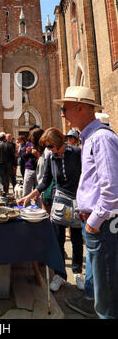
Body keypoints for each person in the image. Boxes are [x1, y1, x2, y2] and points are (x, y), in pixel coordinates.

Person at [55, 86, 118, 320]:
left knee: (108, 298)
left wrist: (94, 221)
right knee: (104, 292)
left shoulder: (101, 137)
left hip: (102, 225)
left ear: (79, 108)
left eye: (65, 108)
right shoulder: (90, 137)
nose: (62, 113)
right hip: (95, 224)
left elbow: (111, 187)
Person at [18, 127, 84, 293]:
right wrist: (30, 195)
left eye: (50, 146)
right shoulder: (51, 157)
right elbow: (45, 181)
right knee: (58, 239)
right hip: (59, 202)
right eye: (46, 147)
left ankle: (77, 272)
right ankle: (60, 274)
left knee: (76, 238)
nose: (48, 150)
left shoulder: (76, 153)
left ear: (59, 142)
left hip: (77, 201)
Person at [20, 129, 38, 197]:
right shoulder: (28, 144)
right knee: (26, 190)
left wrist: (37, 155)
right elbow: (23, 157)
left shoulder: (40, 144)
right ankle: (26, 205)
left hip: (38, 169)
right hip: (29, 168)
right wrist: (27, 153)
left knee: (38, 192)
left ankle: (38, 206)